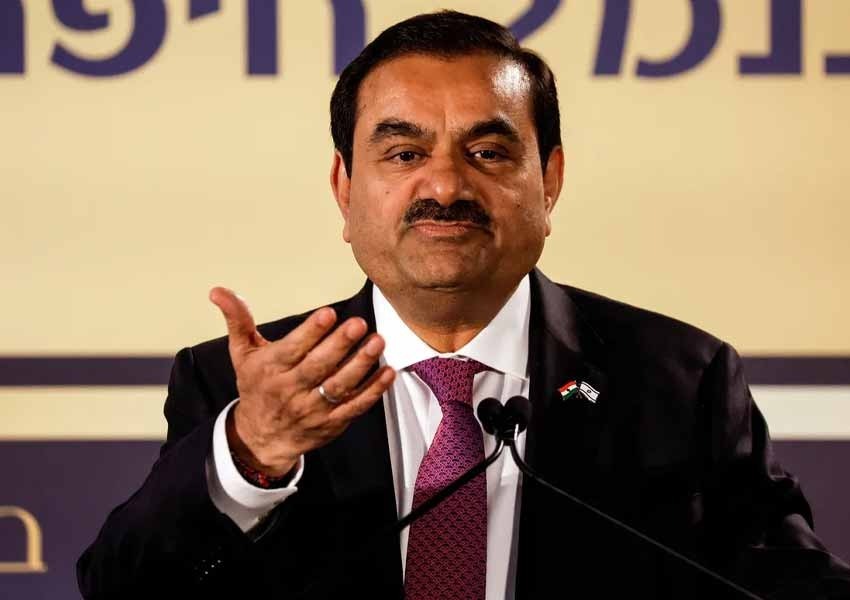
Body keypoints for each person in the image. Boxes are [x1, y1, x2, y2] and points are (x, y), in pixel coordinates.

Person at [78, 10, 850, 600]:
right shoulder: (241, 386)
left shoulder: (677, 380)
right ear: (345, 188)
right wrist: (251, 452)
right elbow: (123, 590)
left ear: (549, 180)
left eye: (487, 152)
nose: (446, 186)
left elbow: (787, 582)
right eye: (404, 153)